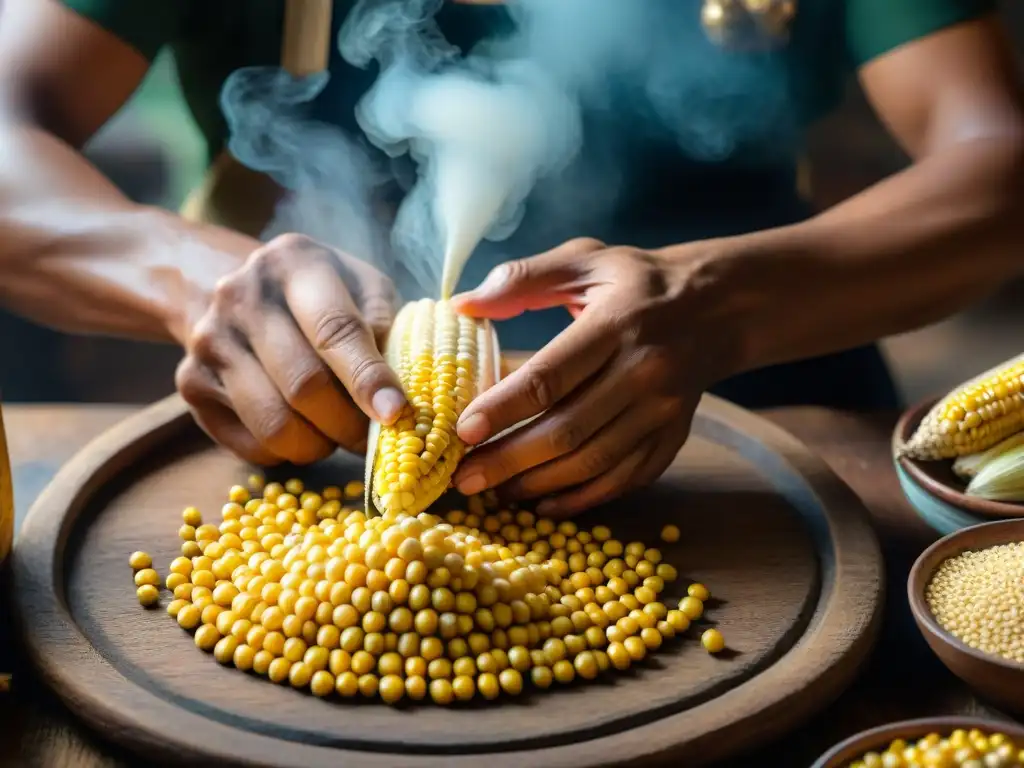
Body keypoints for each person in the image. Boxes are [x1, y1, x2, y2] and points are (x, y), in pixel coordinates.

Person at [0, 0, 1022, 517]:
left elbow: (997, 167)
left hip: (774, 424)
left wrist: (723, 302)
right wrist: (200, 279)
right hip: (328, 433)